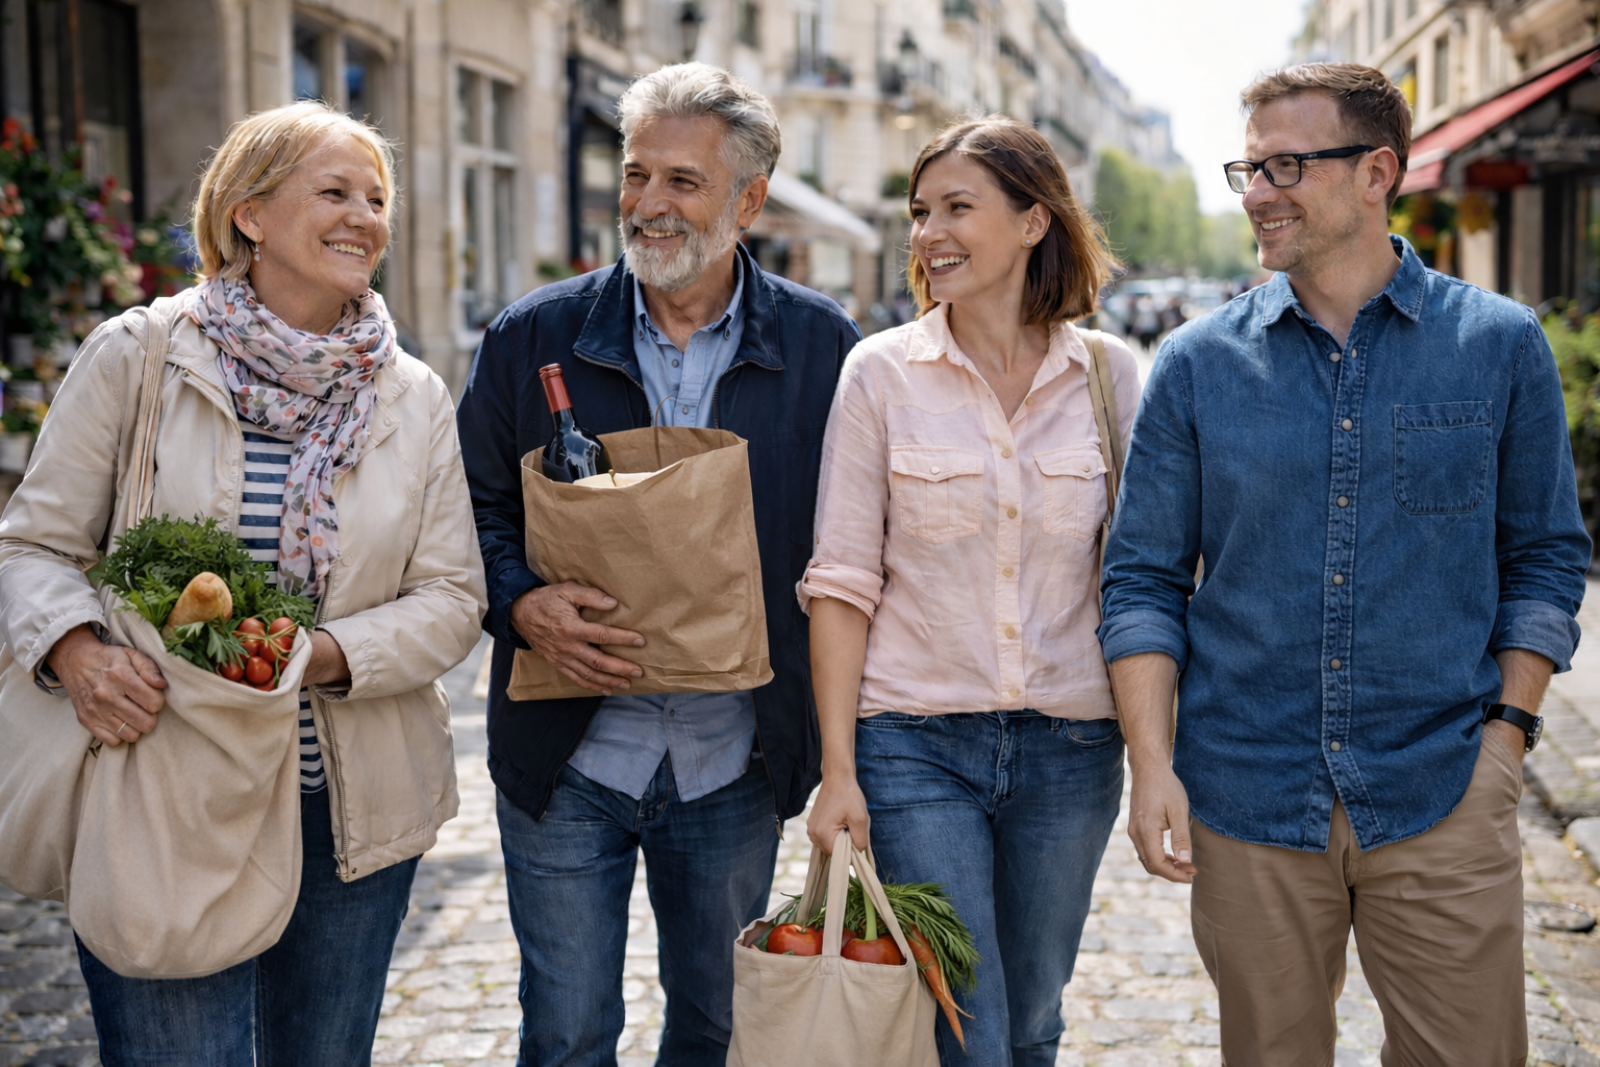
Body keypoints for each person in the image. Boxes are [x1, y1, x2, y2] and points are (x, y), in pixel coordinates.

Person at [1099, 63, 1591, 1066]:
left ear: (1376, 172)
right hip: (1247, 794)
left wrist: (1506, 740)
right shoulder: (1195, 364)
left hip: (1444, 781)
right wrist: (1150, 763)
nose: (1257, 192)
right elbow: (1142, 577)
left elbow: (1544, 556)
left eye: (1286, 165)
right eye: (1249, 168)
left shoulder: (1499, 345)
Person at [0, 101, 487, 1064]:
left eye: (376, 199)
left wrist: (316, 655)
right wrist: (78, 653)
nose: (364, 217)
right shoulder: (139, 356)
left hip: (344, 815)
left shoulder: (413, 394)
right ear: (249, 214)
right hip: (165, 799)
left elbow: (451, 598)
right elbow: (33, 547)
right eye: (335, 191)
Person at [456, 63, 859, 1066]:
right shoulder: (531, 336)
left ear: (748, 202)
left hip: (733, 756)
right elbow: (467, 511)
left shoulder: (825, 348)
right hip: (568, 754)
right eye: (638, 174)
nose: (648, 203)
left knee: (715, 1027)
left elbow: (854, 548)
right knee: (565, 1032)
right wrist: (520, 602)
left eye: (683, 180)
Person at [803, 116, 1138, 1066]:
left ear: (1034, 222)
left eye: (958, 207)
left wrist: (1160, 756)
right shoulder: (880, 373)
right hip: (914, 744)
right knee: (969, 1028)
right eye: (921, 212)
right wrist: (839, 771)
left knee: (1032, 1020)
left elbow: (1142, 580)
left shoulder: (1110, 376)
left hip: (1072, 746)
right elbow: (841, 581)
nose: (928, 233)